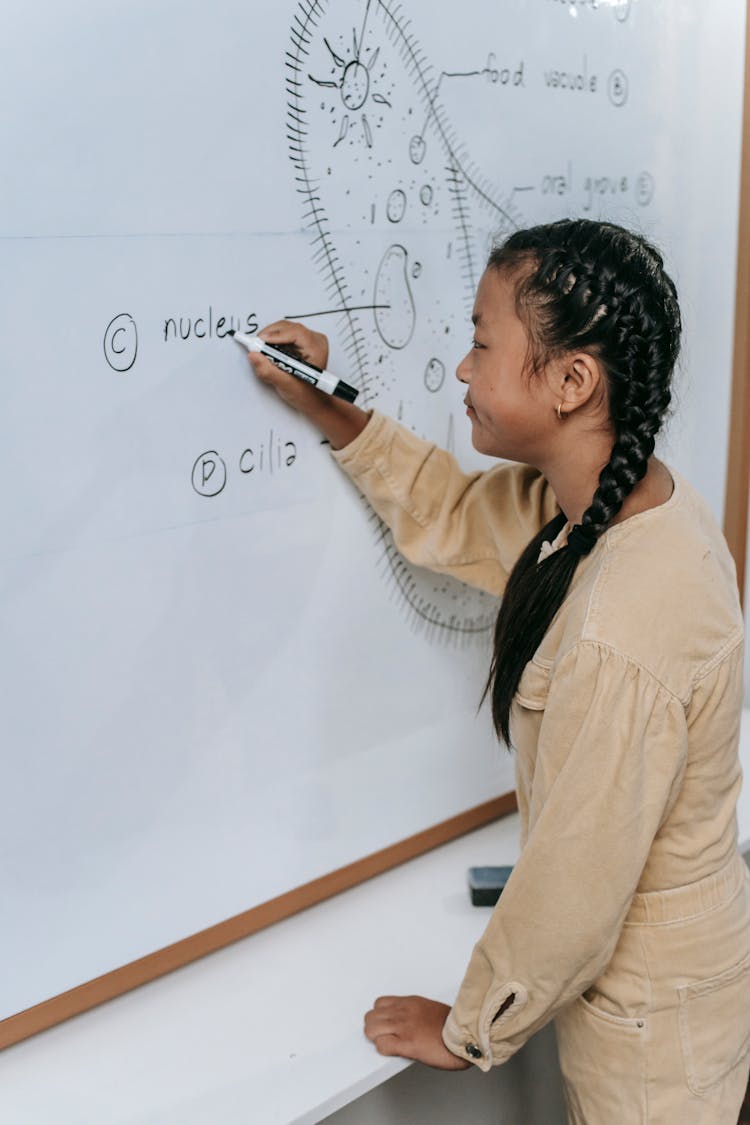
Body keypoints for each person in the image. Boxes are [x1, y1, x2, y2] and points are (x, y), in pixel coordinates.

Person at [248, 219, 750, 1122]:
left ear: (571, 381)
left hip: (655, 1042)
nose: (464, 370)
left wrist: (469, 1027)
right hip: (659, 997)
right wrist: (328, 406)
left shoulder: (621, 626)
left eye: (483, 342)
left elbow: (574, 882)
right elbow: (452, 509)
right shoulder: (607, 511)